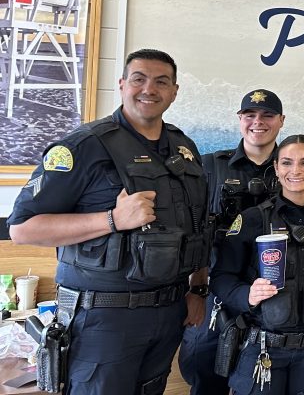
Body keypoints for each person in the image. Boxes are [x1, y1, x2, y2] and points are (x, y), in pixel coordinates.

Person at [7, 48, 209, 395]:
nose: (150, 89)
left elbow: (197, 228)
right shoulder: (84, 146)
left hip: (169, 311)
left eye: (162, 82)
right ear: (122, 84)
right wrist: (112, 219)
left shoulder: (183, 148)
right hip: (103, 319)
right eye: (139, 79)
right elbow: (23, 228)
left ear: (174, 92)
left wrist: (197, 289)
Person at [211, 135, 304, 395]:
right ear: (277, 167)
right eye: (287, 163)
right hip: (264, 347)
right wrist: (245, 294)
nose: (296, 171)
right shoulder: (252, 219)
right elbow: (221, 277)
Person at [180, 88, 285, 395]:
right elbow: (191, 229)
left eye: (267, 115)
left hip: (271, 293)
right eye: (250, 115)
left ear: (281, 121)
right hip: (214, 290)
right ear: (240, 120)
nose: (258, 122)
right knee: (202, 368)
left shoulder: (294, 170)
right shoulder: (210, 166)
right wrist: (194, 290)